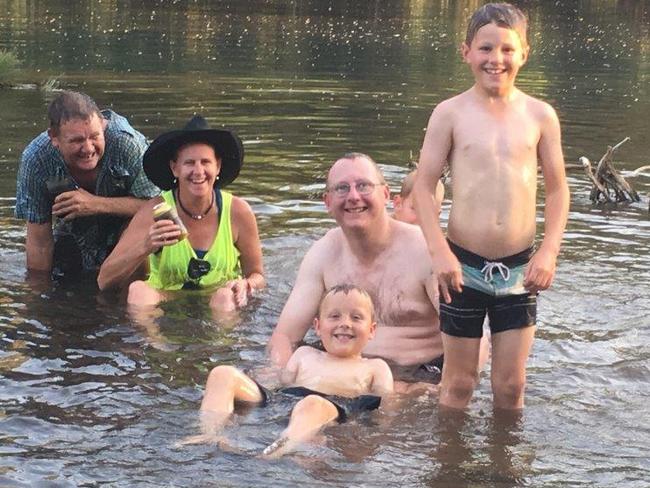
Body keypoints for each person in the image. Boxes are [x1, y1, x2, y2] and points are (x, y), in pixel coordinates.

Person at [412, 3, 570, 410]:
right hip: (460, 267)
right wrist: (439, 252)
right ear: (466, 52)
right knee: (459, 384)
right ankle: (449, 470)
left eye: (506, 49)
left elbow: (556, 189)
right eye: (485, 49)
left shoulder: (540, 116)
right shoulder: (449, 113)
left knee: (511, 386)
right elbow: (424, 187)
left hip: (520, 269)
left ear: (524, 53)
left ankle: (506, 470)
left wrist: (549, 251)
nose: (495, 59)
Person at [268, 152, 449, 390]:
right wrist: (281, 376)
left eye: (363, 186)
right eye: (342, 188)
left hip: (417, 376)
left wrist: (444, 390)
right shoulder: (323, 254)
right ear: (328, 202)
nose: (353, 196)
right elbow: (285, 337)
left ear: (385, 194)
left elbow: (470, 335)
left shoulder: (425, 251)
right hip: (342, 369)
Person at [196, 284, 393, 458]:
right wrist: (263, 377)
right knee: (223, 373)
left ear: (372, 330)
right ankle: (210, 433)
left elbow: (386, 407)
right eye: (334, 316)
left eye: (356, 317)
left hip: (332, 409)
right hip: (283, 402)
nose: (345, 323)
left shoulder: (375, 367)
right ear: (317, 326)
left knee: (312, 404)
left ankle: (280, 447)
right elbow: (280, 383)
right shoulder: (304, 354)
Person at [97, 115, 264, 311]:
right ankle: (152, 343)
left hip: (218, 301)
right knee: (138, 291)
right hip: (167, 299)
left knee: (225, 297)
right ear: (175, 168)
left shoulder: (238, 211)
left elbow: (257, 275)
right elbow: (104, 280)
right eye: (189, 163)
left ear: (217, 166)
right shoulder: (155, 211)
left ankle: (221, 342)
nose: (198, 171)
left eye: (205, 162)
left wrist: (246, 285)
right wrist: (145, 246)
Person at [14, 91, 159, 278]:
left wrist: (96, 204)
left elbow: (158, 205)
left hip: (127, 230)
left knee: (139, 230)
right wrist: (37, 298)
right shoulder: (36, 159)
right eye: (77, 140)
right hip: (77, 233)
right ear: (54, 138)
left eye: (95, 137)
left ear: (103, 126)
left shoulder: (128, 144)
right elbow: (39, 241)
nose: (88, 148)